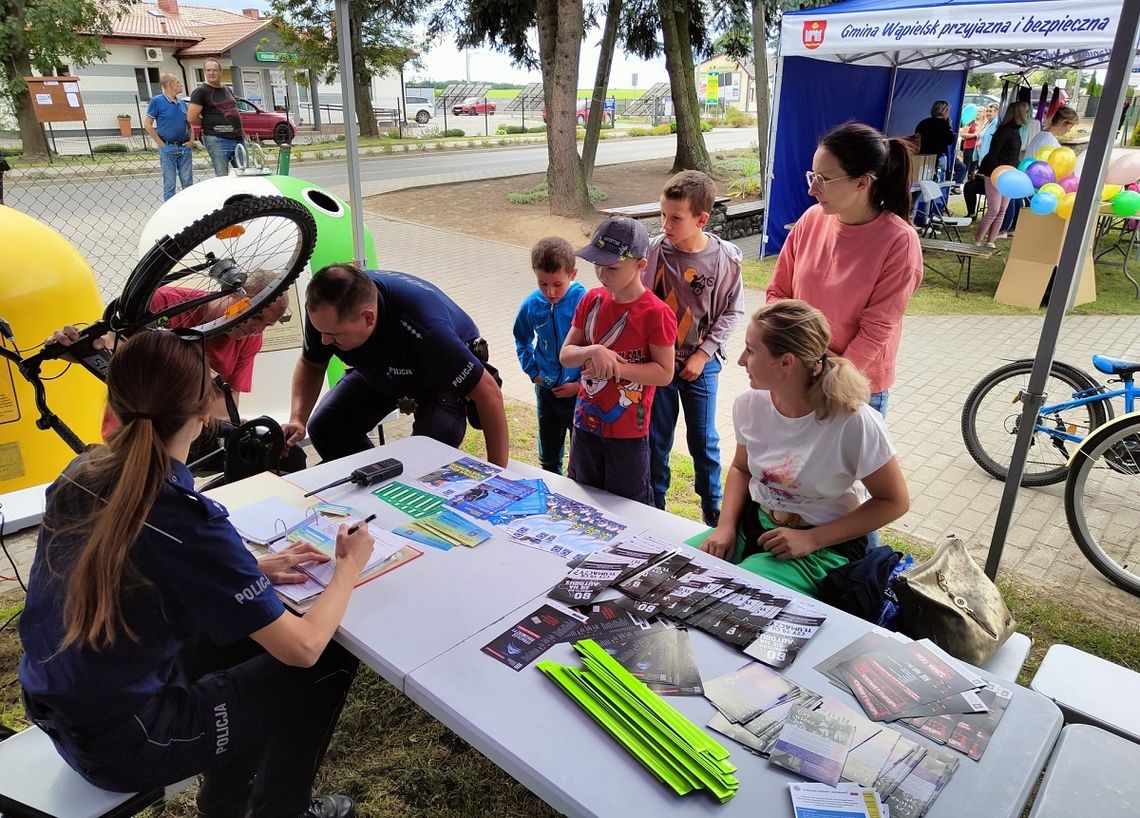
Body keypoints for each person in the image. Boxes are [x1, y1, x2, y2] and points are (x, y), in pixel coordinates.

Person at [18, 330, 372, 818]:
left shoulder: (83, 471)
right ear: (204, 417)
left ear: (113, 402)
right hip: (127, 743)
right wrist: (348, 569)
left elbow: (148, 573)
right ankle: (280, 810)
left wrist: (254, 571)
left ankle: (225, 803)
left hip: (62, 708)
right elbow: (304, 646)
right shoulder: (184, 519)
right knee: (329, 656)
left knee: (246, 638)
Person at [696, 301, 909, 597]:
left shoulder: (853, 421)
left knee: (729, 598)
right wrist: (725, 527)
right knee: (675, 575)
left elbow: (894, 501)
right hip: (755, 522)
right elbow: (741, 468)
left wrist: (812, 540)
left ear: (786, 363)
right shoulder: (749, 404)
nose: (741, 360)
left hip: (821, 547)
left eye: (751, 350)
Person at [767, 122, 922, 418]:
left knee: (842, 466)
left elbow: (875, 331)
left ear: (862, 182)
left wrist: (823, 373)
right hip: (798, 371)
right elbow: (778, 292)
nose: (812, 189)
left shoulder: (898, 241)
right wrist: (800, 358)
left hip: (851, 385)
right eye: (813, 176)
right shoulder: (811, 220)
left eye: (824, 179)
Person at [283, 264, 509, 466]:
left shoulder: (426, 327)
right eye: (321, 331)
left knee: (422, 457)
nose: (324, 341)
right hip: (383, 368)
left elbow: (488, 393)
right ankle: (373, 484)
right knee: (326, 428)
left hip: (437, 376)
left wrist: (500, 474)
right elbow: (312, 364)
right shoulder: (325, 314)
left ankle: (404, 485)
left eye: (333, 335)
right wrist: (298, 418)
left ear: (368, 318)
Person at [644, 170, 743, 527]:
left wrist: (704, 354)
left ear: (701, 219)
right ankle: (654, 506)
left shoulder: (725, 259)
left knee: (703, 442)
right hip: (660, 367)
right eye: (662, 215)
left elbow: (733, 309)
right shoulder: (654, 252)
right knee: (656, 441)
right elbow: (640, 301)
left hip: (702, 367)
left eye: (675, 218)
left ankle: (713, 510)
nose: (665, 224)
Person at [559, 216, 677, 503]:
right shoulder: (590, 300)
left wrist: (618, 369)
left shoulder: (655, 313)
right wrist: (592, 351)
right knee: (581, 498)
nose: (602, 274)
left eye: (612, 267)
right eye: (597, 263)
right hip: (585, 426)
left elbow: (664, 373)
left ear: (641, 265)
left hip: (628, 434)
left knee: (628, 505)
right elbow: (565, 356)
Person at [513, 236, 586, 475]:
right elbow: (522, 338)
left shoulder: (585, 302)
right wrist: (533, 373)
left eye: (557, 284)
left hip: (578, 395)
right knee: (548, 457)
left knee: (582, 458)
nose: (550, 292)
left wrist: (579, 385)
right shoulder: (532, 304)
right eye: (542, 284)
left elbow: (596, 349)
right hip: (546, 391)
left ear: (572, 274)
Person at [976, 101, 1030, 248]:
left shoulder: (1016, 131)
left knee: (1002, 209)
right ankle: (978, 240)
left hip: (1009, 173)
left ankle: (991, 240)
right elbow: (993, 152)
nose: (1027, 115)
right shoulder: (1004, 130)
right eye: (1025, 112)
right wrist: (995, 173)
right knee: (994, 209)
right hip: (996, 172)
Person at [188, 59, 245, 178]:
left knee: (244, 174)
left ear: (220, 72)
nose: (211, 73)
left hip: (237, 138)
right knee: (222, 176)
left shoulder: (227, 89)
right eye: (208, 70)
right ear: (204, 72)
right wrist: (209, 123)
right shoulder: (201, 91)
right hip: (218, 140)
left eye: (214, 70)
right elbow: (191, 117)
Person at [143, 73, 194, 201]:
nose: (180, 84)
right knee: (170, 185)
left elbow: (189, 125)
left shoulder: (182, 104)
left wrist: (191, 141)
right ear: (169, 84)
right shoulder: (157, 101)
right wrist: (161, 144)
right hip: (168, 147)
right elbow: (148, 124)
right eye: (177, 82)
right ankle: (169, 213)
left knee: (188, 184)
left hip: (184, 147)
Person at [914, 101, 957, 184]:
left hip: (922, 158)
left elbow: (916, 136)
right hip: (938, 160)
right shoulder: (945, 126)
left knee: (919, 186)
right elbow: (950, 140)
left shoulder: (923, 123)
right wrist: (949, 126)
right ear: (944, 112)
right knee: (935, 185)